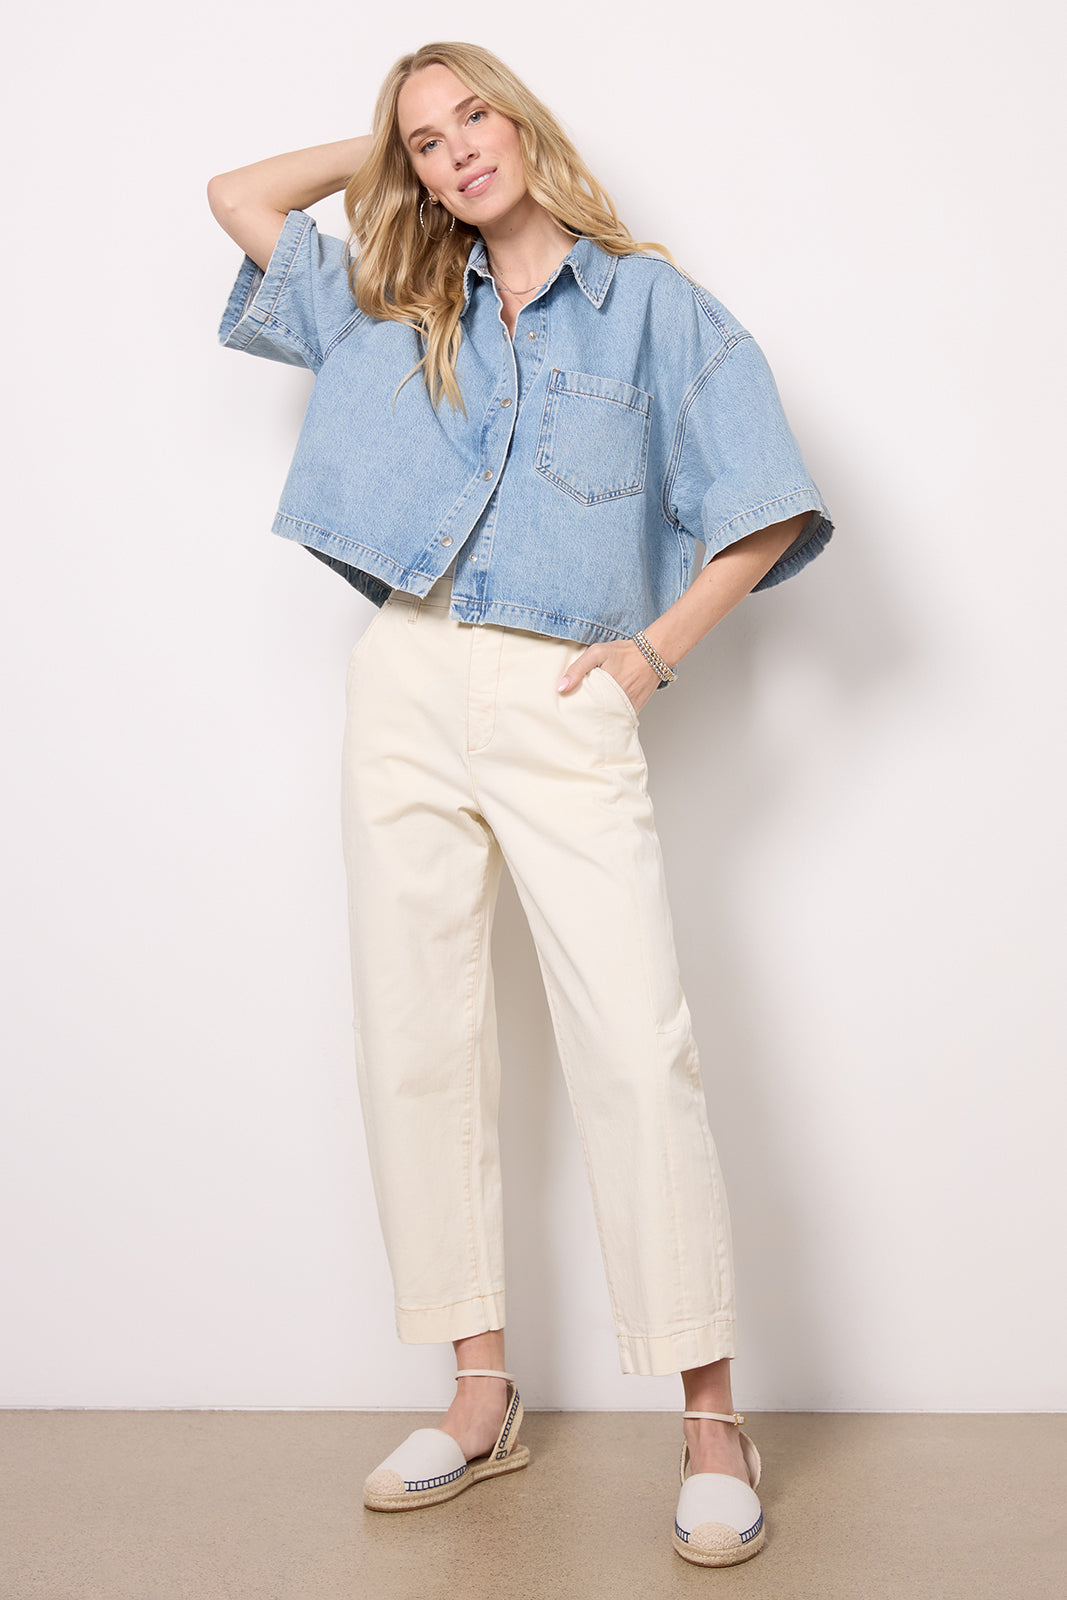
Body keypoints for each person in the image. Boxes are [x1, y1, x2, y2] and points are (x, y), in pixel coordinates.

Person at [208, 40, 833, 1567]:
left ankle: (711, 1422)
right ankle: (479, 1396)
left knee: (636, 1044)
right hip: (407, 683)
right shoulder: (396, 302)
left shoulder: (651, 308)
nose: (454, 153)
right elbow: (236, 197)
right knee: (416, 1037)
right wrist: (375, 156)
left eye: (471, 117)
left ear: (524, 120)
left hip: (566, 692)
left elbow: (764, 504)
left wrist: (651, 657)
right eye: (424, 143)